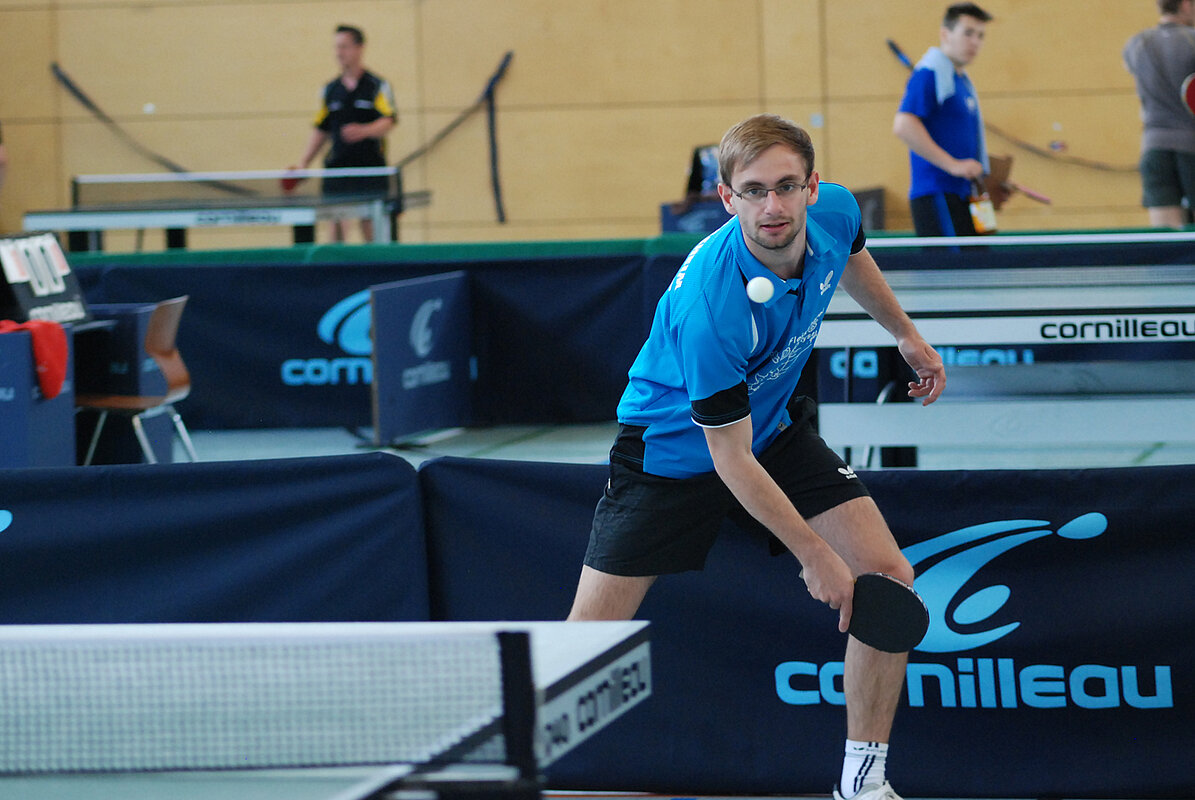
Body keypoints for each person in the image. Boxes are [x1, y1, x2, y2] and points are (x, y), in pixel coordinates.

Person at [567, 114, 945, 800]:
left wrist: (904, 333)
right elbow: (730, 459)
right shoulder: (712, 307)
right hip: (669, 457)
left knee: (888, 579)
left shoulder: (834, 211)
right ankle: (525, 778)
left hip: (772, 428)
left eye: (786, 186)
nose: (773, 206)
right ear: (726, 197)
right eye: (753, 191)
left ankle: (862, 783)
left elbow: (850, 254)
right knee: (585, 645)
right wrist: (813, 555)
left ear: (812, 187)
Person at [893, 3, 994, 236]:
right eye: (968, 33)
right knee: (952, 262)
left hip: (965, 194)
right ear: (945, 34)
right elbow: (904, 125)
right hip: (938, 194)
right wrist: (953, 165)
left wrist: (989, 179)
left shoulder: (962, 81)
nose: (975, 42)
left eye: (980, 36)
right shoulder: (929, 72)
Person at [291, 25, 397, 243]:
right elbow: (321, 128)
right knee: (336, 231)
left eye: (344, 47)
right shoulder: (330, 90)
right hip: (337, 170)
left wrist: (365, 131)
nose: (339, 53)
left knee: (372, 231)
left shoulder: (376, 86)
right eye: (337, 47)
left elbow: (389, 120)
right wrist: (303, 163)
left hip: (370, 169)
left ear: (359, 48)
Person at [1124, 0, 1195, 228]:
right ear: (1185, 5)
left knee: (1165, 235)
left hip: (1153, 148)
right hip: (1191, 146)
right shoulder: (1192, 40)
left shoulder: (1135, 44)